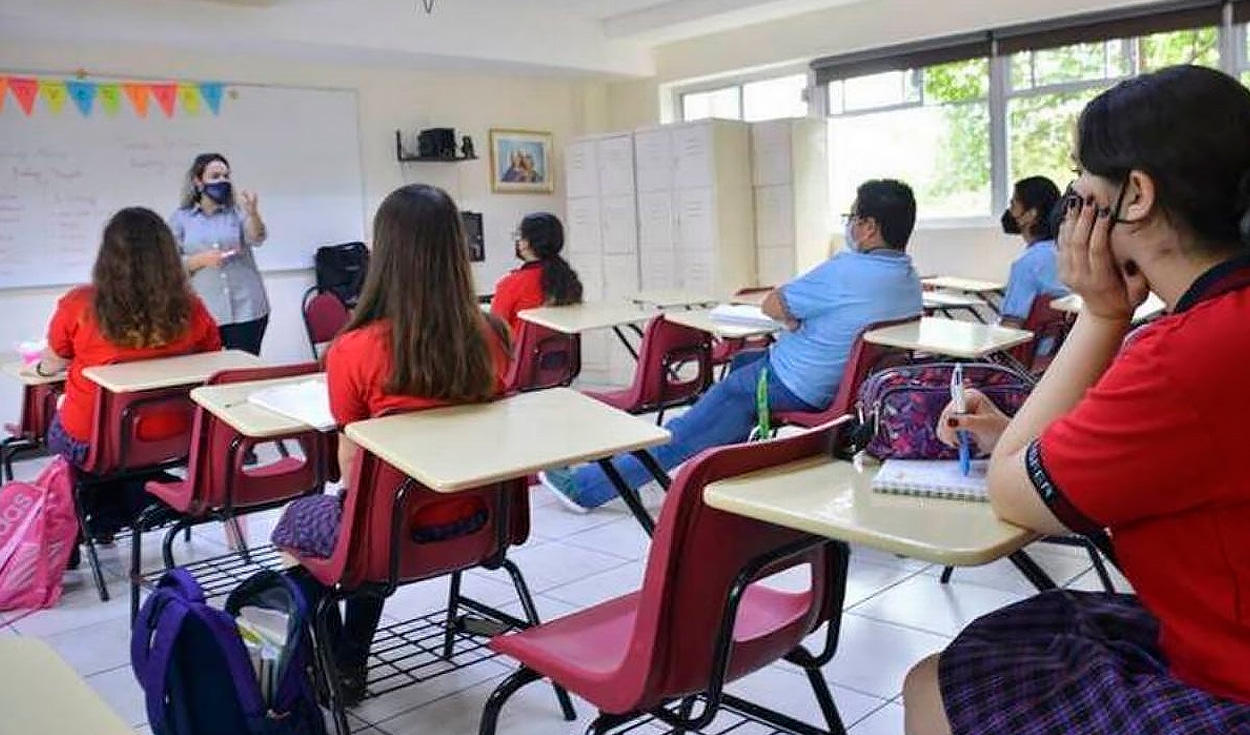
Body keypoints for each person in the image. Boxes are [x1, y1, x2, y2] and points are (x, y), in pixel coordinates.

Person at [903, 65, 1250, 735]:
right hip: (1211, 634)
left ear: (1135, 195)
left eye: (1080, 179)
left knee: (935, 683)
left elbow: (1012, 494)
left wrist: (1101, 312)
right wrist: (1021, 431)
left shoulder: (1189, 351)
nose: (1074, 201)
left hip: (1228, 682)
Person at [540, 179, 924, 512]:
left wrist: (793, 318)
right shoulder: (908, 279)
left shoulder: (846, 270)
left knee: (688, 426)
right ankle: (725, 464)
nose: (850, 225)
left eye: (853, 217)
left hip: (796, 383)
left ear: (869, 227)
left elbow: (773, 305)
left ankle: (586, 488)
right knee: (740, 366)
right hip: (846, 390)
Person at [275, 184, 512, 705]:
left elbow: (350, 466)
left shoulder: (353, 349)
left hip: (387, 534)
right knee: (368, 526)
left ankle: (343, 663)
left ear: (382, 254)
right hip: (478, 523)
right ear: (456, 251)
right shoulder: (492, 335)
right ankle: (349, 659)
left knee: (299, 522)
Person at [36, 207, 221, 538]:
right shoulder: (191, 308)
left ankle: (100, 514)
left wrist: (41, 367)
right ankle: (134, 497)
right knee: (123, 450)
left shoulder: (79, 304)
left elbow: (51, 364)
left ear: (107, 257)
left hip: (95, 441)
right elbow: (213, 360)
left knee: (59, 429)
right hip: (174, 434)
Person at [169, 153, 271, 356]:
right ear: (198, 182)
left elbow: (256, 237)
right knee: (207, 367)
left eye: (226, 176)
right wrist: (198, 261)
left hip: (246, 308)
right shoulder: (181, 219)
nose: (222, 181)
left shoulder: (237, 212)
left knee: (244, 367)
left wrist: (253, 213)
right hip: (205, 310)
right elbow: (168, 263)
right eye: (215, 177)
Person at [491, 212, 584, 335]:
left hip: (520, 347)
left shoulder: (510, 285)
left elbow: (493, 334)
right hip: (563, 347)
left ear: (526, 243)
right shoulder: (569, 280)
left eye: (520, 236)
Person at [998, 176, 1069, 327]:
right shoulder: (1068, 253)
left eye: (1013, 205)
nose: (1009, 211)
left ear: (1031, 214)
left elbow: (1011, 325)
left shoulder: (1027, 264)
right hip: (1063, 340)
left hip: (1031, 341)